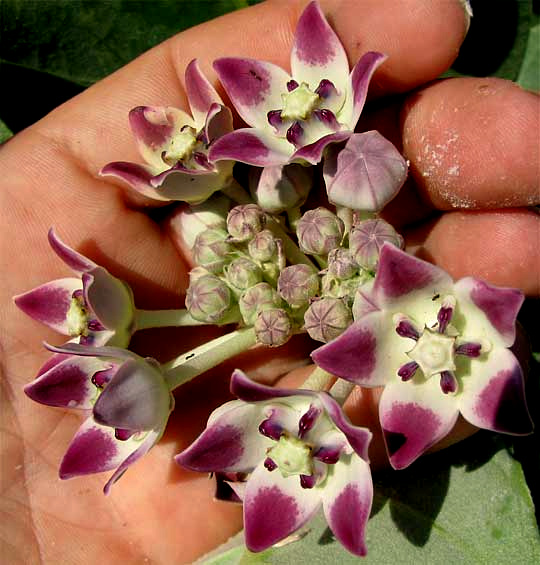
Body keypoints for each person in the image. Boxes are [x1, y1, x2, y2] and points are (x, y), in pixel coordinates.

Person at [0, 1, 538, 562]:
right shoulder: (341, 359)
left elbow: (358, 352)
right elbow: (345, 359)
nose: (294, 452)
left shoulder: (391, 305)